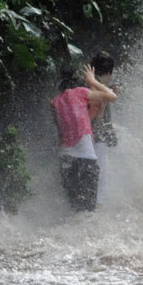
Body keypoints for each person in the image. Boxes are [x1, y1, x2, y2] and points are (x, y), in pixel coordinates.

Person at [51, 64, 116, 211]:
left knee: (74, 211)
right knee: (88, 213)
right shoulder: (80, 92)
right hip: (86, 160)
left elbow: (62, 132)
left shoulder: (55, 102)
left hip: (65, 161)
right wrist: (93, 81)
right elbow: (112, 96)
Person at [89, 51, 119, 207]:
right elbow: (100, 116)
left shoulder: (85, 84)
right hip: (95, 136)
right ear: (108, 72)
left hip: (79, 136)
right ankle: (98, 204)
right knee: (101, 172)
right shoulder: (99, 88)